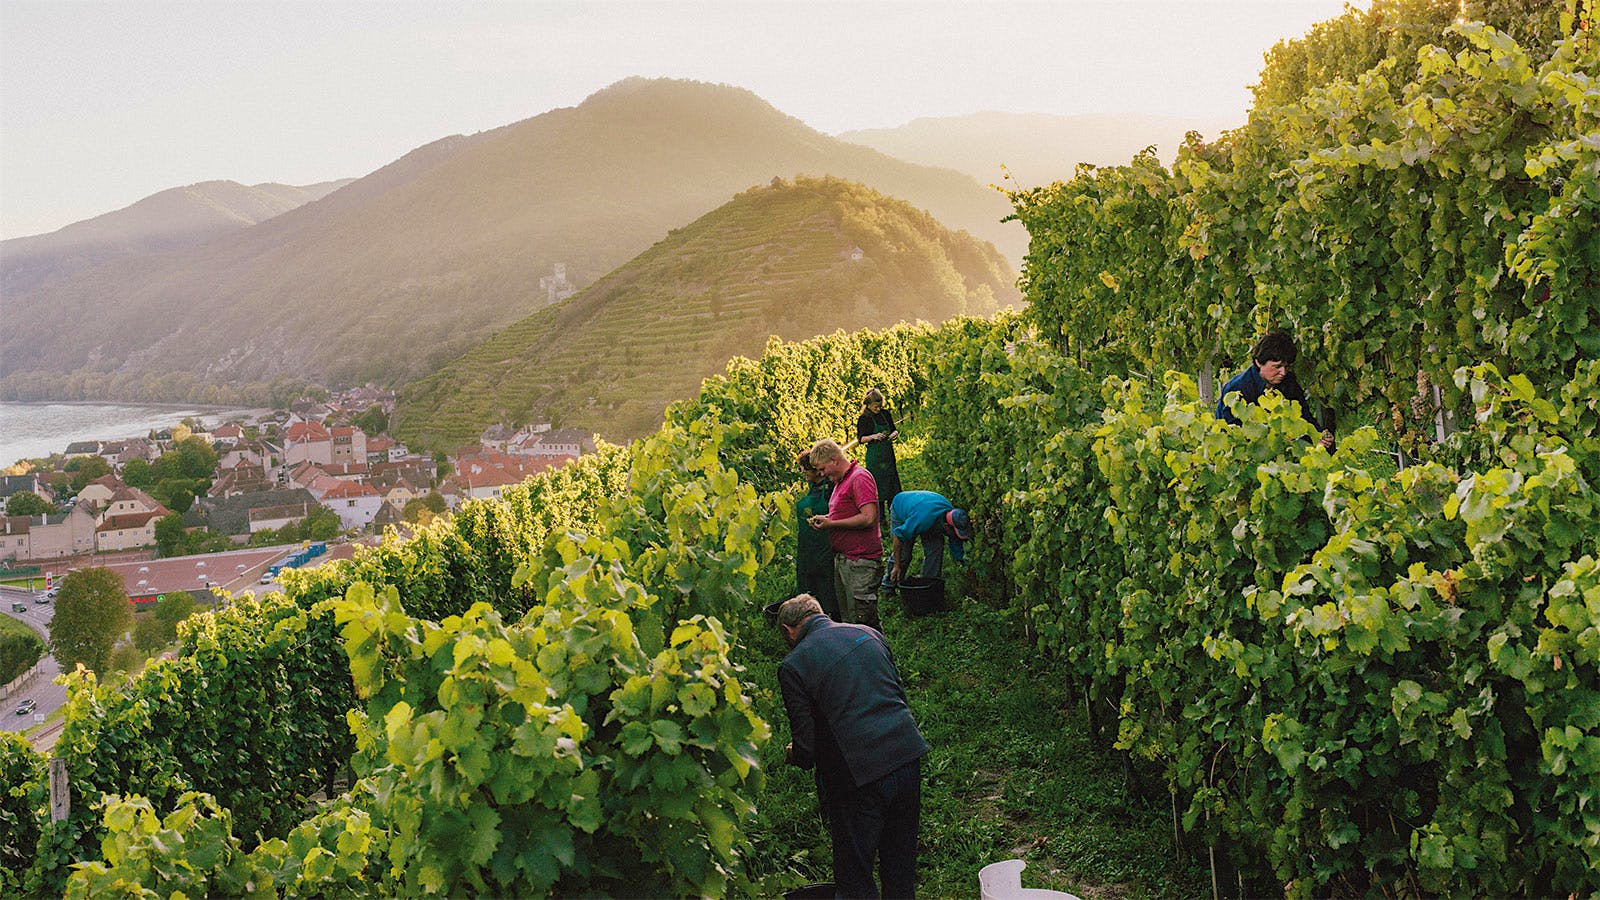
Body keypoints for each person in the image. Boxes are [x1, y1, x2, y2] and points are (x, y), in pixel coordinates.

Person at [776, 593, 929, 899]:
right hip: (906, 754)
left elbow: (806, 750)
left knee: (855, 874)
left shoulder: (793, 665)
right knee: (900, 868)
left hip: (860, 774)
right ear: (820, 614)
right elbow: (898, 695)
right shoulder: (869, 634)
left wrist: (792, 753)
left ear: (787, 630)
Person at [807, 438, 882, 631]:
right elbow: (846, 512)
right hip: (844, 559)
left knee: (865, 622)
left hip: (861, 561)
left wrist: (832, 523)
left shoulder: (859, 478)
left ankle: (877, 658)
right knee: (850, 622)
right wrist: (827, 518)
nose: (822, 475)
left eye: (823, 469)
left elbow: (868, 517)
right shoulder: (841, 482)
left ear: (834, 460)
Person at [1215, 330, 1335, 450]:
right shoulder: (1237, 389)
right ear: (1258, 362)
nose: (1283, 372)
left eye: (1286, 366)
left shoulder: (1289, 382)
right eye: (1277, 367)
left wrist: (1319, 435)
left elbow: (1304, 417)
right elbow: (1233, 436)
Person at [885, 490, 972, 587]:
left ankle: (928, 586)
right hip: (901, 506)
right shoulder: (923, 519)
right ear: (946, 526)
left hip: (925, 507)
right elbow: (898, 535)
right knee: (904, 554)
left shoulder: (954, 517)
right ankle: (889, 586)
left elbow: (956, 543)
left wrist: (965, 565)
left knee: (935, 549)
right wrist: (897, 565)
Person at [794, 450, 839, 619]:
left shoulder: (831, 488)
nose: (804, 473)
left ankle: (831, 613)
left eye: (806, 470)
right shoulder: (812, 487)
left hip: (826, 541)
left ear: (816, 471)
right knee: (809, 574)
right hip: (808, 543)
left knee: (827, 577)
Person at [856, 389, 903, 514]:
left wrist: (894, 434)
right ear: (868, 405)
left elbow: (894, 429)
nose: (878, 409)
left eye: (880, 406)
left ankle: (895, 514)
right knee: (878, 489)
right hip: (875, 459)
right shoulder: (864, 419)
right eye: (876, 407)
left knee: (893, 487)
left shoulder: (885, 414)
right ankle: (880, 518)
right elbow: (861, 438)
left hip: (888, 456)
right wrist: (874, 436)